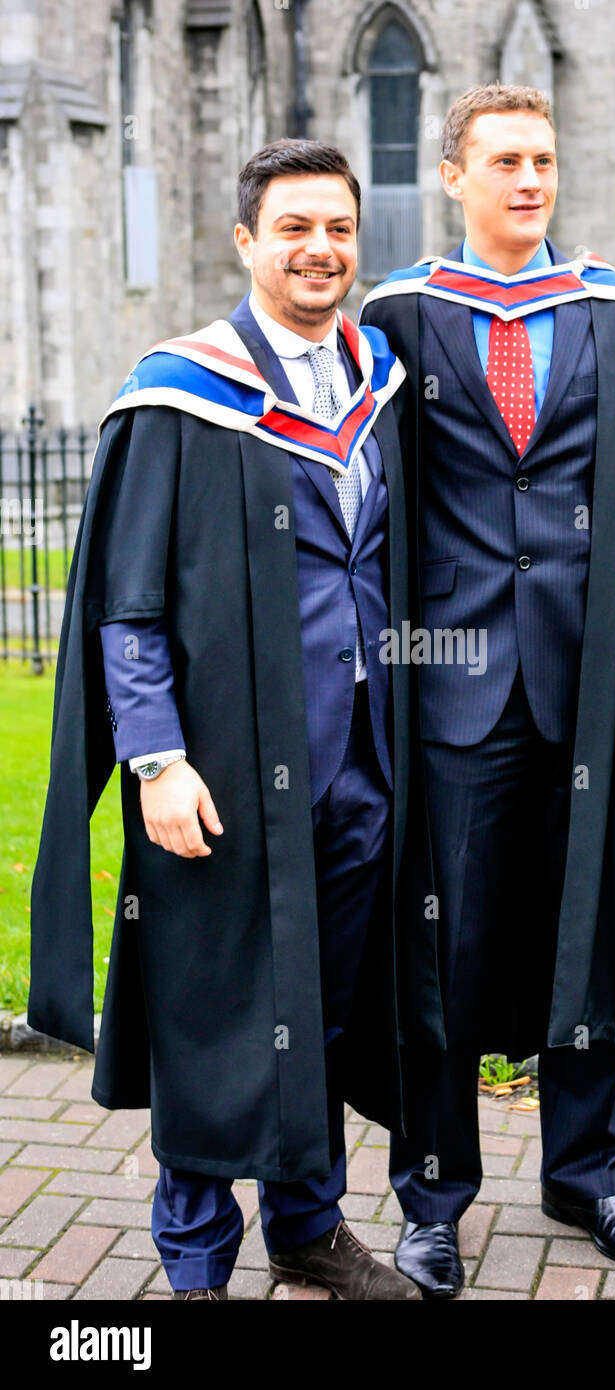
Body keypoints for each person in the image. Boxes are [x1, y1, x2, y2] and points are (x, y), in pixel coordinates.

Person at [360, 83, 615, 1299]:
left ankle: (585, 1173)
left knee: (586, 924)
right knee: (445, 946)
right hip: (448, 689)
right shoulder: (399, 316)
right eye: (504, 162)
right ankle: (433, 1195)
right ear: (453, 176)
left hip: (598, 677)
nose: (529, 180)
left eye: (543, 160)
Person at [28, 138, 424, 1301]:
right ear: (246, 241)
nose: (319, 249)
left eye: (338, 228)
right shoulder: (181, 394)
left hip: (358, 762)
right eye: (293, 228)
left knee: (325, 1008)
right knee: (216, 1009)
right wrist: (154, 758)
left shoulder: (375, 378)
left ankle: (306, 1225)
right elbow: (129, 602)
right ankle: (194, 1264)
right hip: (225, 770)